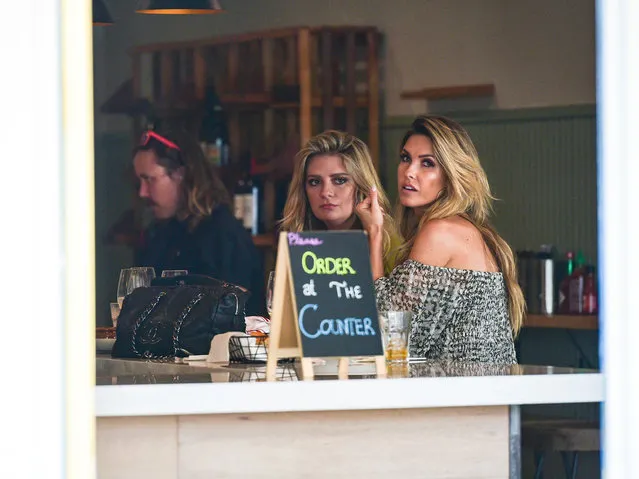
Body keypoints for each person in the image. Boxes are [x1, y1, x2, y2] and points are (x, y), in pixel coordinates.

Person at [356, 115, 524, 363]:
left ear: (450, 175)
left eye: (427, 164)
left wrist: (374, 234)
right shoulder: (461, 227)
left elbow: (392, 341)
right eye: (406, 159)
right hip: (481, 394)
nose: (410, 172)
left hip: (469, 397)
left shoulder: (441, 231)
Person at [132, 129, 265, 316]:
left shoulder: (224, 235)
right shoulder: (160, 235)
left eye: (149, 180)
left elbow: (235, 316)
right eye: (139, 182)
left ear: (180, 174)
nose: (143, 193)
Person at [280, 130, 400, 274]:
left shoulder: (390, 244)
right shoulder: (301, 239)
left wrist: (374, 235)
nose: (325, 192)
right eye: (315, 182)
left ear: (361, 185)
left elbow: (378, 297)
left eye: (340, 180)